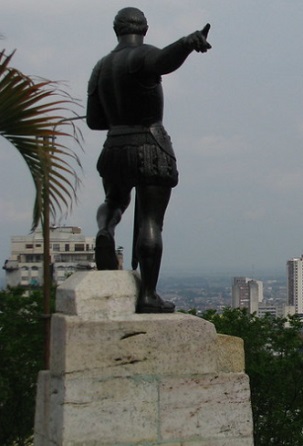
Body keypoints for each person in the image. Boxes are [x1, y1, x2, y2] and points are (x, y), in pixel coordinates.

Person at [87, 7, 211, 313]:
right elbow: (162, 62)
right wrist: (187, 43)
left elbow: (93, 120)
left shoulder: (101, 68)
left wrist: (120, 116)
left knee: (114, 200)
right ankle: (148, 294)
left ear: (116, 29)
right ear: (145, 28)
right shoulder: (141, 56)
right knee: (151, 220)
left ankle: (106, 229)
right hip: (149, 143)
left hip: (114, 146)